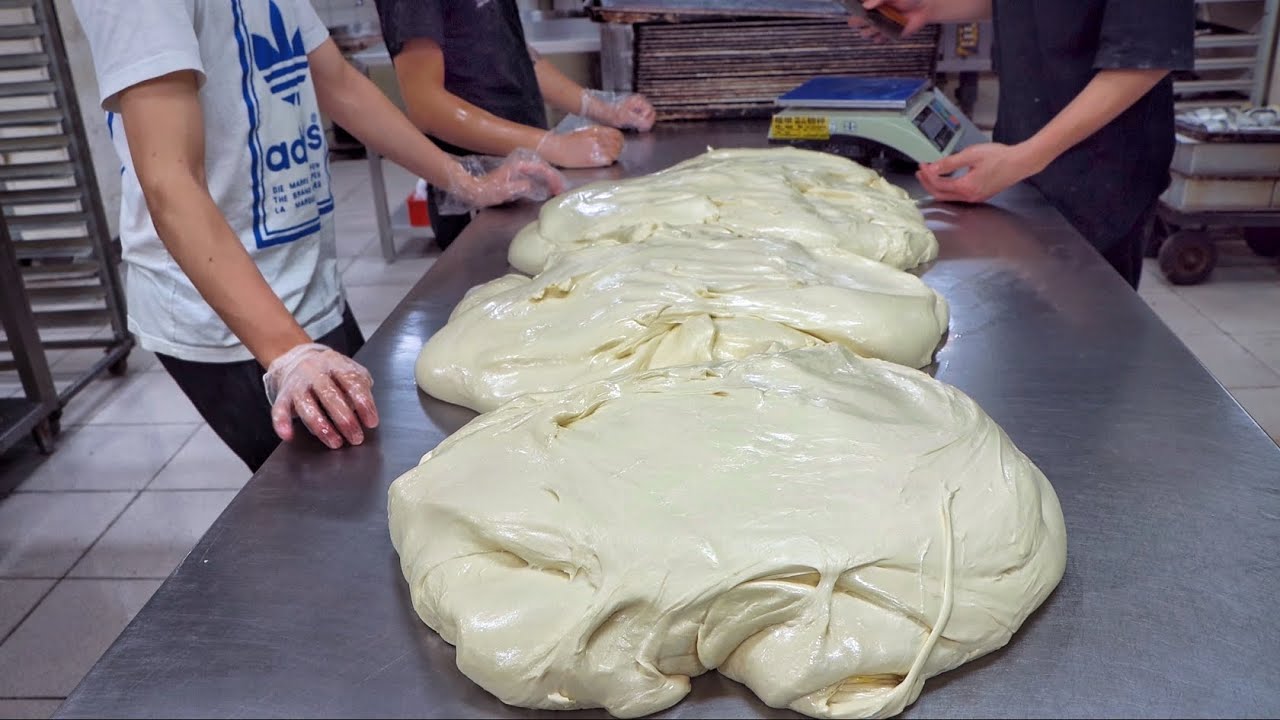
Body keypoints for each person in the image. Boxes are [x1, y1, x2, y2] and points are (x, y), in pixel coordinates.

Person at [71, 0, 565, 471]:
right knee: (337, 497)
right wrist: (292, 354)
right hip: (227, 315)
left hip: (305, 278)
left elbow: (339, 83)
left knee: (378, 464)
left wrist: (465, 181)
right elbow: (170, 181)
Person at [855, 0, 1195, 289]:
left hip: (1101, 175)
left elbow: (1145, 59)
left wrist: (1024, 158)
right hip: (1028, 158)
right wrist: (929, 6)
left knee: (1084, 326)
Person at [374, 0, 658, 248]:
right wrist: (554, 146)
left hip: (528, 176)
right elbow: (426, 106)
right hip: (480, 195)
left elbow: (514, 55)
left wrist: (601, 108)